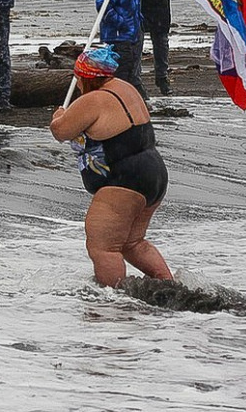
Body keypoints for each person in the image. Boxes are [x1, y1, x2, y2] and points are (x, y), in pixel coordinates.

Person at [49, 46, 172, 287]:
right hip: (153, 172)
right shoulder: (126, 88)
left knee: (103, 247)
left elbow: (61, 131)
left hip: (124, 178)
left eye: (79, 80)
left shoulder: (94, 100)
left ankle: (110, 302)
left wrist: (58, 117)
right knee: (132, 243)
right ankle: (168, 285)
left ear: (86, 78)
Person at [96, 0, 150, 99]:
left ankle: (137, 101)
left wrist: (138, 20)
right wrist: (121, 23)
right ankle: (126, 100)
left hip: (133, 32)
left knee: (132, 68)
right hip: (118, 35)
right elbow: (103, 6)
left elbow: (134, 5)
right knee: (123, 70)